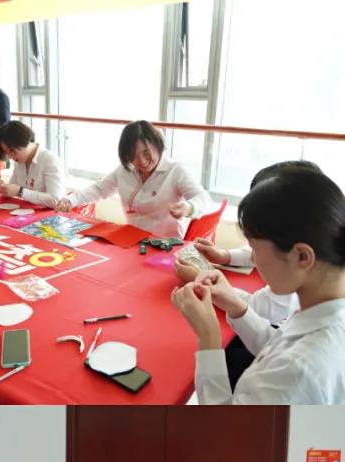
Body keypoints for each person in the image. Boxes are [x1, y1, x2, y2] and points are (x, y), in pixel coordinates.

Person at [171, 167, 345, 404]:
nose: (252, 258)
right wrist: (235, 306)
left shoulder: (296, 373)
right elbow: (277, 342)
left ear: (302, 256)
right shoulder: (323, 312)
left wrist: (209, 337)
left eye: (254, 248)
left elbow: (226, 425)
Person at [57, 120, 213, 239]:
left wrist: (188, 207)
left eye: (146, 152)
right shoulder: (125, 170)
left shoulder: (175, 170)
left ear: (157, 144)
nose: (142, 161)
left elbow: (204, 198)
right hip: (132, 240)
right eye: (133, 156)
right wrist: (71, 200)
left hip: (165, 244)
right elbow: (99, 189)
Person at [0, 120, 66, 208]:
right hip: (27, 211)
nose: (10, 157)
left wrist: (20, 192)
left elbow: (56, 200)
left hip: (49, 213)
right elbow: (13, 189)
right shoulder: (19, 161)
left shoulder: (49, 159)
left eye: (12, 150)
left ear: (24, 141)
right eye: (6, 152)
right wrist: (4, 188)